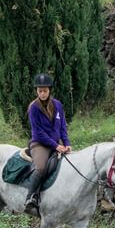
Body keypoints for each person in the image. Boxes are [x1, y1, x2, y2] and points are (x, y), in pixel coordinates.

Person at [25, 72, 70, 209]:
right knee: (41, 167)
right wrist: (55, 145)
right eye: (40, 91)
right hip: (40, 144)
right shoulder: (33, 108)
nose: (43, 93)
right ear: (37, 91)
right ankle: (30, 197)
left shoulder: (57, 105)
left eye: (45, 91)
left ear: (49, 90)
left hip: (57, 143)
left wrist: (67, 144)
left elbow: (62, 126)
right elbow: (38, 132)